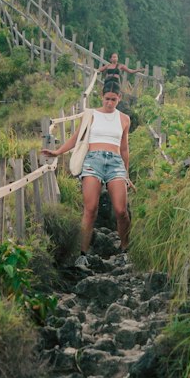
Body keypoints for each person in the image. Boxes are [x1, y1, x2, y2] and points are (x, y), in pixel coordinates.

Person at [42, 87, 132, 268]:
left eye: (113, 99)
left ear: (119, 98)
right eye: (107, 99)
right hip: (93, 160)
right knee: (90, 209)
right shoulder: (90, 115)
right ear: (101, 96)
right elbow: (77, 138)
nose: (109, 103)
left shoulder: (124, 119)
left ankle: (125, 250)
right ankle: (82, 255)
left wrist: (126, 174)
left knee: (121, 210)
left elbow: (124, 148)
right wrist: (58, 152)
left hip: (115, 163)